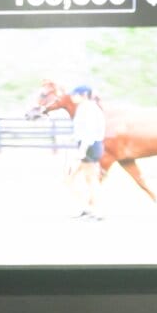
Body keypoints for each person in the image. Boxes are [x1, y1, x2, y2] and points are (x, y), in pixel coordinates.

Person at [68, 84, 107, 221]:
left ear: (83, 94)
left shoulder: (88, 108)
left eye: (74, 94)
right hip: (88, 145)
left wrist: (82, 150)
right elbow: (83, 129)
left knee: (90, 179)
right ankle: (86, 208)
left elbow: (89, 131)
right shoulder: (85, 107)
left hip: (89, 146)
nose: (72, 97)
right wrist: (74, 137)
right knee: (78, 178)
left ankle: (96, 210)